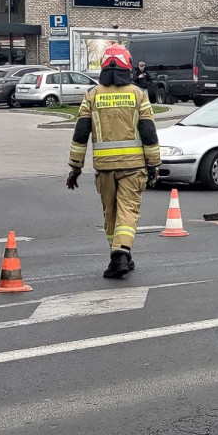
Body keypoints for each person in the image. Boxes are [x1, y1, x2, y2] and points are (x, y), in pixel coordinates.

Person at [66, 44, 161, 279]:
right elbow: (148, 132)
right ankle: (122, 253)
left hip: (105, 169)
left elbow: (80, 133)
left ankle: (117, 255)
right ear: (127, 65)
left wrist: (75, 167)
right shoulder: (138, 95)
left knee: (110, 213)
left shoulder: (92, 95)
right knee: (127, 211)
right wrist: (154, 164)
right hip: (133, 166)